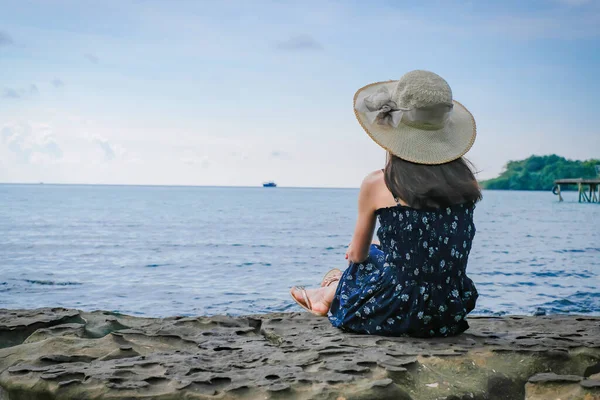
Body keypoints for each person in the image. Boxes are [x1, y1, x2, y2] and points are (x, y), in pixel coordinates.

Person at [290, 70, 482, 337]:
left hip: (396, 311)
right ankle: (327, 291)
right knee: (383, 250)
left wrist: (364, 250)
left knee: (366, 256)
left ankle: (327, 291)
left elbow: (356, 256)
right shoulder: (466, 182)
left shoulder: (378, 183)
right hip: (448, 310)